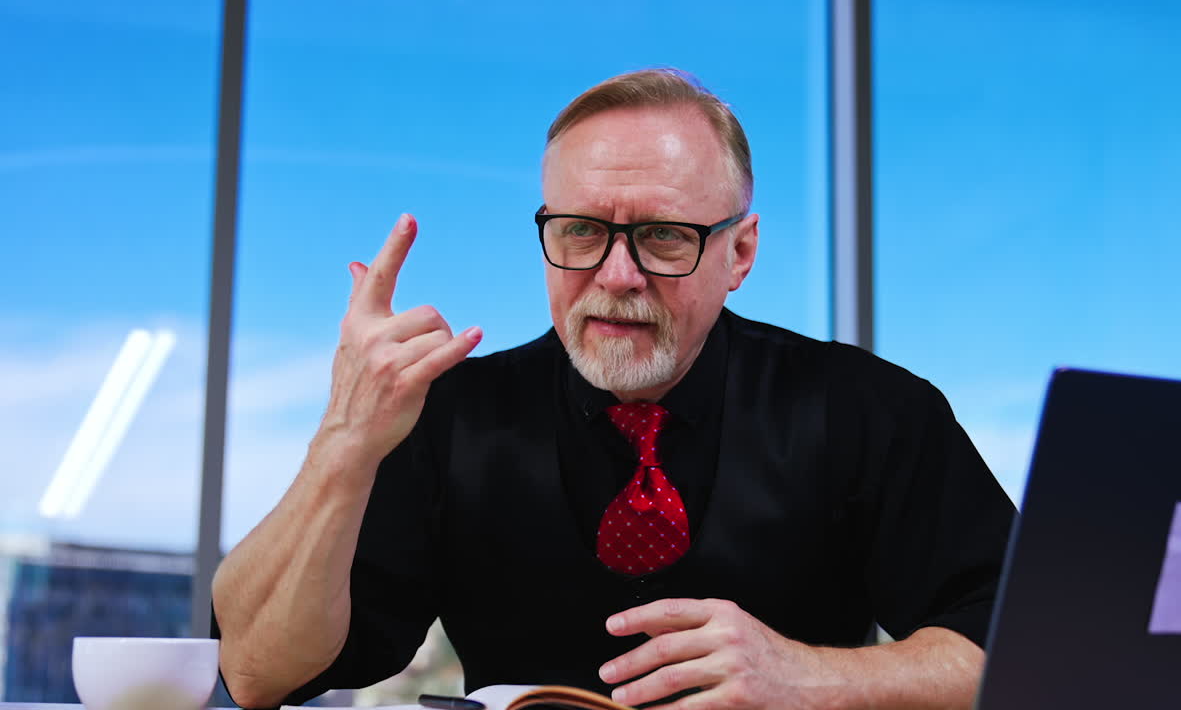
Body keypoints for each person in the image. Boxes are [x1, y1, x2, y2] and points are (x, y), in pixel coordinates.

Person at [212, 68, 1015, 710]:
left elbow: (1021, 648)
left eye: (664, 236)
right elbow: (258, 675)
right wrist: (344, 441)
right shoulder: (450, 415)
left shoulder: (871, 411)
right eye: (583, 232)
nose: (617, 275)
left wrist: (813, 680)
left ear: (740, 254)